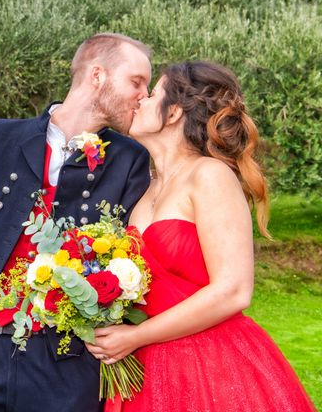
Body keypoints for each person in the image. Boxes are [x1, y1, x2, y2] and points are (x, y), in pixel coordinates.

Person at [0, 33, 153, 411]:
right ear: (97, 75)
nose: (144, 95)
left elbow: (136, 253)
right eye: (137, 81)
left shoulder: (129, 160)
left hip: (66, 365)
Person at [86, 61, 316, 411]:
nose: (141, 101)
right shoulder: (145, 189)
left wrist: (135, 336)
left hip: (208, 365)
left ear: (174, 111)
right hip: (144, 370)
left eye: (152, 95)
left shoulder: (209, 176)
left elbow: (234, 290)